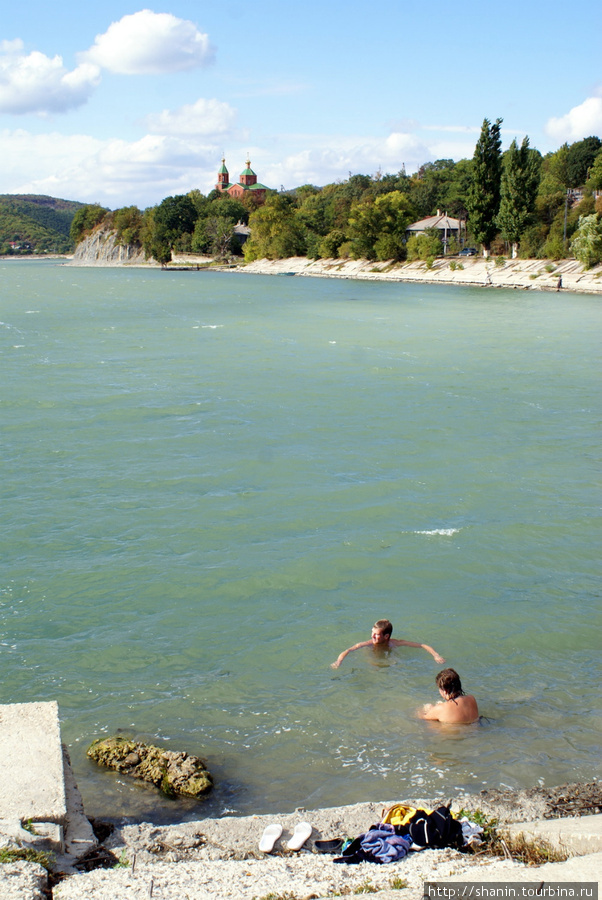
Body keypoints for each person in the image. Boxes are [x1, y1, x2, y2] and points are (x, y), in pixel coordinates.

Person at [331, 619, 445, 668]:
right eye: (372, 633)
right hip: (373, 662)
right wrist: (338, 661)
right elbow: (349, 650)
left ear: (386, 636)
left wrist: (436, 655)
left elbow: (422, 645)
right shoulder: (369, 644)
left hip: (388, 660)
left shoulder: (394, 643)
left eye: (376, 634)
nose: (372, 636)